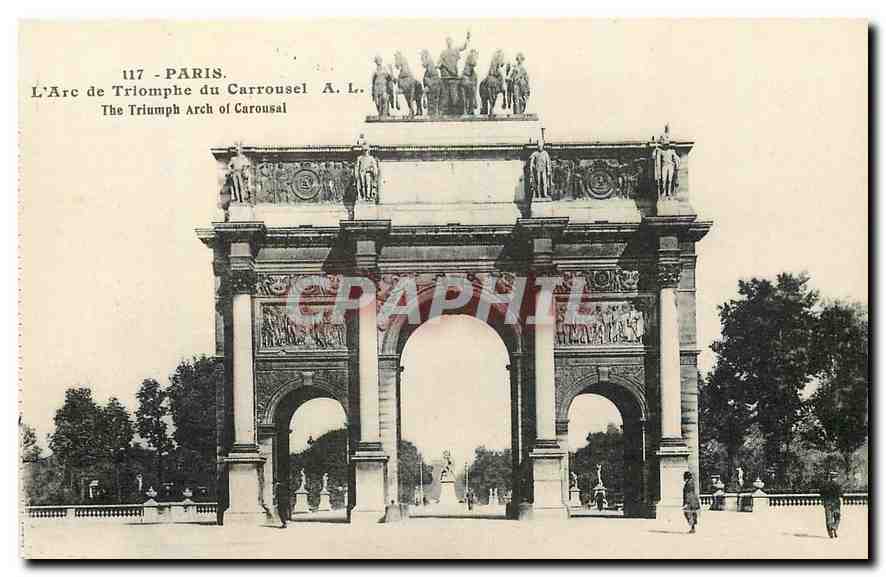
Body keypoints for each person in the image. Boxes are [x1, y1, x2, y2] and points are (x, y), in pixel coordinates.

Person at [820, 471, 843, 538]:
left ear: (830, 477)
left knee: (828, 518)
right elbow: (841, 494)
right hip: (836, 503)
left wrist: (823, 501)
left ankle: (830, 532)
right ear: (836, 477)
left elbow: (821, 494)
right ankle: (835, 527)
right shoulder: (838, 485)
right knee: (837, 517)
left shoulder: (825, 485)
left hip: (827, 503)